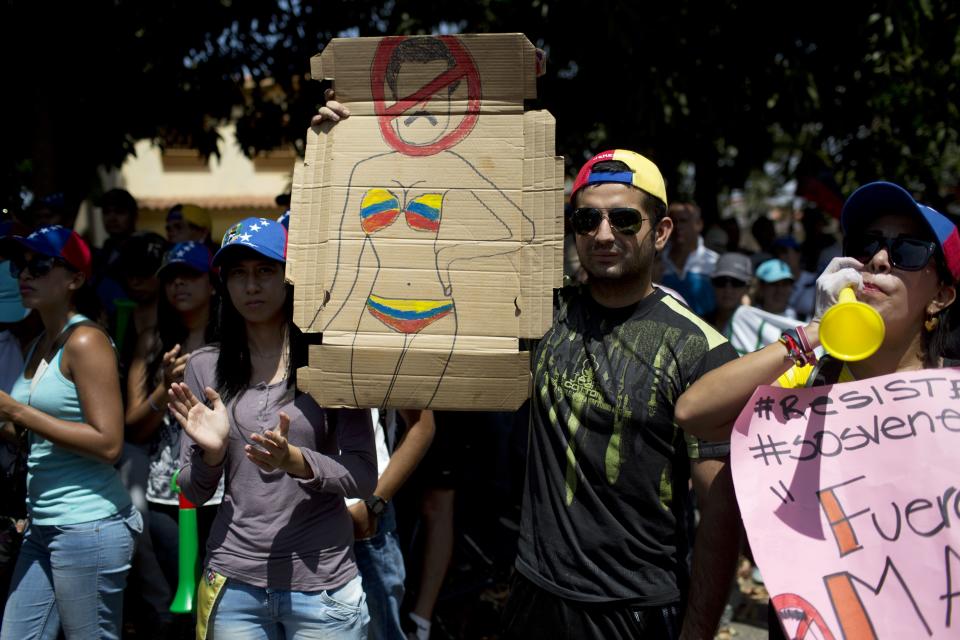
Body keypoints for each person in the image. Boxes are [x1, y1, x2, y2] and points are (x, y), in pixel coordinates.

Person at [673, 180, 959, 638]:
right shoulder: (810, 381)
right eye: (868, 246)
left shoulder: (952, 402)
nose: (879, 260)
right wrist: (813, 332)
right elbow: (694, 413)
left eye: (908, 251)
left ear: (941, 296)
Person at [501, 150, 741, 639]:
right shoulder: (541, 315)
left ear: (661, 231)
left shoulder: (702, 352)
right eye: (587, 219)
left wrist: (697, 633)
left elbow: (720, 515)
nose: (603, 234)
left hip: (634, 610)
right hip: (534, 591)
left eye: (625, 218)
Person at [170, 216, 377, 639]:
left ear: (290, 276)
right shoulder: (203, 366)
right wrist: (212, 455)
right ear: (224, 284)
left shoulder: (333, 362)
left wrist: (296, 461)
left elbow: (363, 477)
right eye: (238, 274)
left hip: (323, 588)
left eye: (265, 271)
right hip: (233, 582)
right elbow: (191, 490)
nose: (251, 286)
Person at [0, 225, 141, 640]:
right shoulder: (42, 341)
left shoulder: (85, 341)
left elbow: (109, 442)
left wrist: (17, 412)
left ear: (76, 279)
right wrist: (9, 423)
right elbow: (32, 432)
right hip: (45, 524)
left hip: (87, 527)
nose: (25, 274)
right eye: (19, 265)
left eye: (40, 265)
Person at [122, 241, 221, 628]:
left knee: (219, 603)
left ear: (212, 284)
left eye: (190, 276)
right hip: (167, 491)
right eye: (171, 278)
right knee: (179, 607)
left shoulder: (238, 345)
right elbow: (133, 427)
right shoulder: (152, 342)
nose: (179, 285)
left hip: (226, 491)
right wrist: (164, 389)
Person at [660, 200, 719, 316]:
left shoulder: (714, 262)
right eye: (674, 221)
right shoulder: (656, 262)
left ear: (699, 224)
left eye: (683, 221)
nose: (678, 227)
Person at [708, 252, 753, 335]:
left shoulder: (755, 328)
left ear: (747, 288)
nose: (728, 290)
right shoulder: (699, 324)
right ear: (712, 284)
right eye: (721, 281)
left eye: (736, 283)